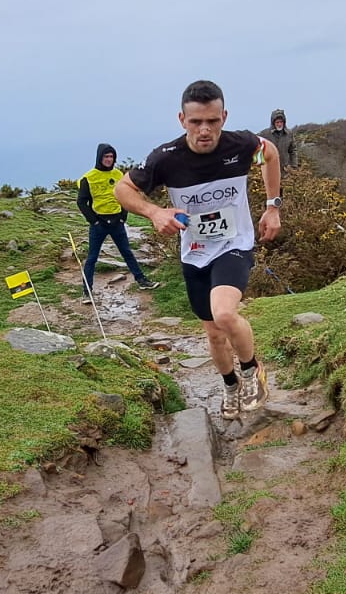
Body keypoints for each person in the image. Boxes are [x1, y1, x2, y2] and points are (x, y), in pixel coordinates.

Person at [115, 80, 283, 420]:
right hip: (194, 251)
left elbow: (271, 153)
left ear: (224, 116)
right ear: (182, 119)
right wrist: (154, 212)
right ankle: (230, 385)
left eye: (212, 121)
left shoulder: (241, 144)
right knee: (213, 333)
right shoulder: (166, 158)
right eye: (196, 122)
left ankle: (252, 372)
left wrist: (272, 206)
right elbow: (123, 188)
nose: (205, 130)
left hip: (234, 243)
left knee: (223, 314)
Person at [77, 143, 161, 303]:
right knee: (92, 258)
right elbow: (81, 202)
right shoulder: (88, 178)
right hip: (99, 223)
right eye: (106, 157)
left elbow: (127, 195)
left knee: (127, 253)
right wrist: (93, 221)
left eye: (111, 157)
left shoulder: (119, 175)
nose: (109, 160)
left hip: (117, 221)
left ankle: (142, 281)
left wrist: (123, 216)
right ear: (99, 158)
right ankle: (87, 291)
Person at [259, 109, 297, 177]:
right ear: (273, 123)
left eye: (281, 122)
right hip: (269, 171)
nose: (279, 124)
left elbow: (293, 151)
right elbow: (258, 148)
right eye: (277, 122)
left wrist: (294, 166)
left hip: (285, 172)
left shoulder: (289, 134)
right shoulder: (265, 134)